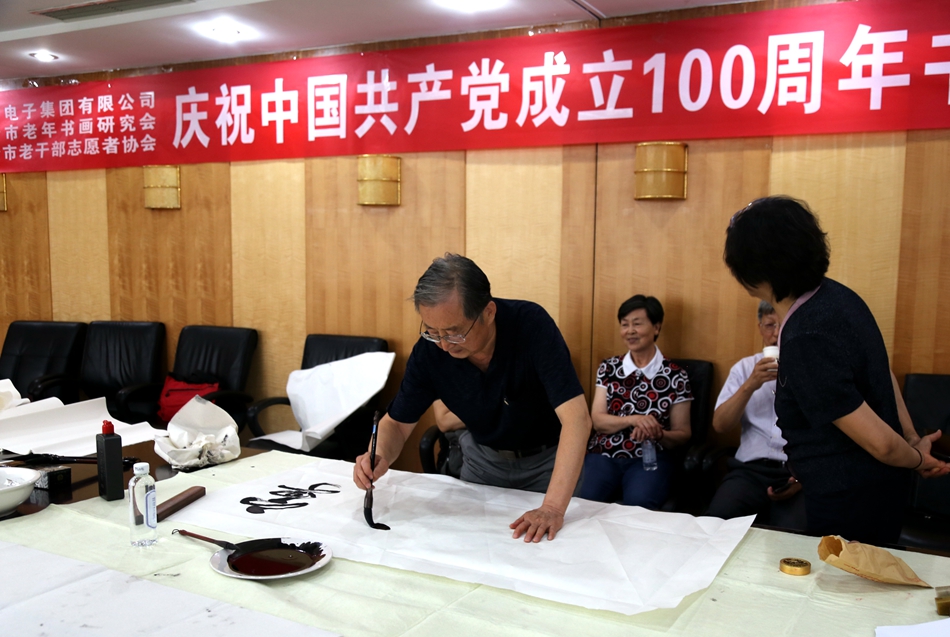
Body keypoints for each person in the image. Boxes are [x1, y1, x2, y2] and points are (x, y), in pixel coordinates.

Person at [723, 195, 949, 545]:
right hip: (873, 488)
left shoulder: (805, 336)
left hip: (850, 497)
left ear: (751, 271)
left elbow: (880, 444)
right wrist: (909, 437)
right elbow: (881, 374)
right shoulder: (838, 296)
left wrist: (916, 458)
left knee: (847, 577)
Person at [352, 254, 591, 542]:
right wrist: (378, 454)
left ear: (488, 312)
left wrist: (552, 508)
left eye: (454, 333)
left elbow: (577, 419)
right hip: (483, 462)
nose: (443, 345)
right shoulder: (430, 352)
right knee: (473, 544)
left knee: (547, 548)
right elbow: (397, 424)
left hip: (547, 465)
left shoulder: (531, 325)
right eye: (432, 332)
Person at [577, 295, 691, 509]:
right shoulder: (609, 368)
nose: (630, 331)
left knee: (639, 505)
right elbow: (598, 420)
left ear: (656, 327)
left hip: (651, 457)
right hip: (604, 454)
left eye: (637, 324)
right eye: (624, 325)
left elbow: (683, 434)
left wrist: (658, 434)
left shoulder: (676, 375)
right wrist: (634, 420)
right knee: (584, 500)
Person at [705, 301, 806, 530]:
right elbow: (720, 425)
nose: (777, 333)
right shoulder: (744, 369)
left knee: (794, 535)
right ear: (760, 328)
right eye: (770, 325)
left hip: (795, 472)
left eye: (784, 325)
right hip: (750, 470)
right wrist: (750, 384)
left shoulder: (810, 370)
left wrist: (803, 479)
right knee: (716, 522)